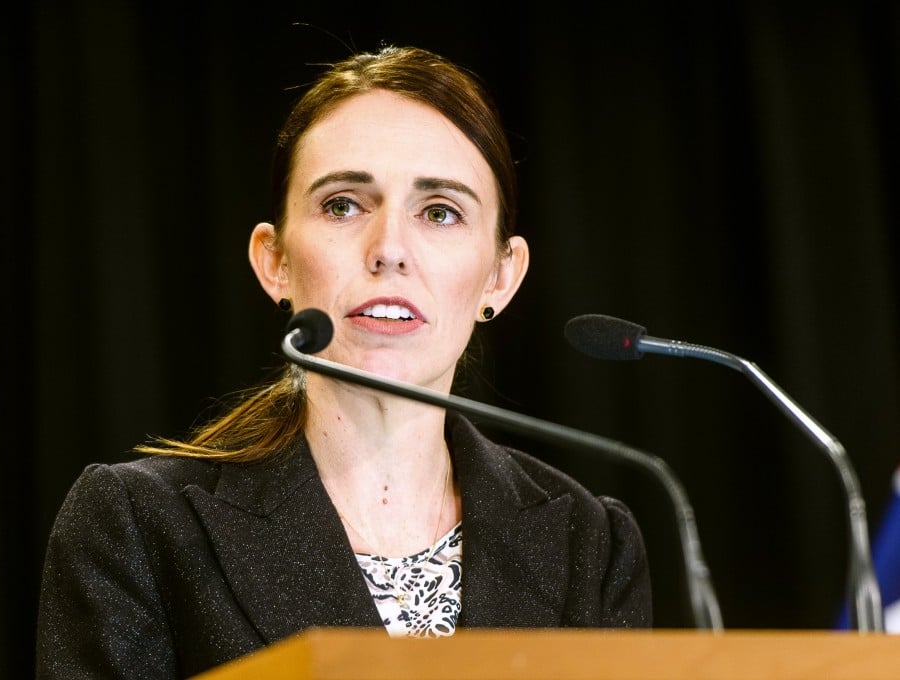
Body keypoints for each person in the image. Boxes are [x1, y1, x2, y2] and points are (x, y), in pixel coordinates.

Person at [35, 44, 652, 679]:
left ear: (501, 275)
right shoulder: (139, 527)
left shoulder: (587, 541)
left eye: (439, 212)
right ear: (274, 260)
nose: (389, 249)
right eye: (343, 205)